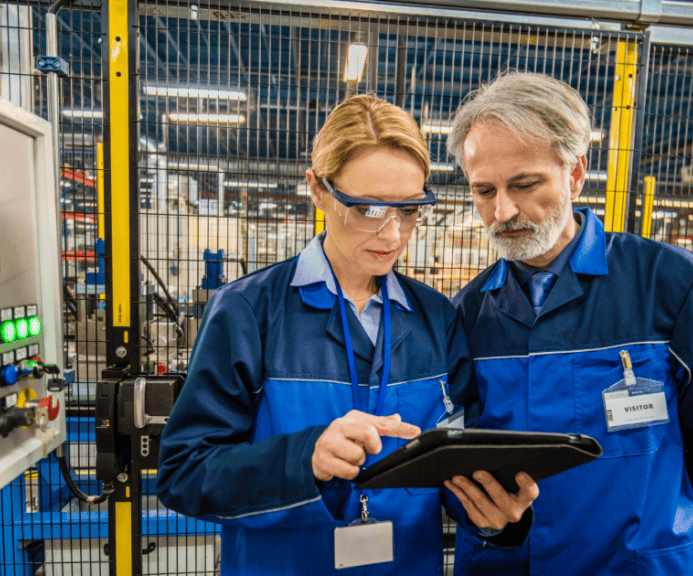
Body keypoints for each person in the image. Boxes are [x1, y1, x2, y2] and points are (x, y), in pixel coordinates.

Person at [157, 95, 536, 576]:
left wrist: (493, 516)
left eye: (410, 210)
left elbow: (452, 466)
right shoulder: (249, 312)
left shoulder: (436, 318)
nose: (393, 234)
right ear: (318, 189)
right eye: (368, 209)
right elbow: (184, 473)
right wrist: (303, 457)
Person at [445, 72, 693, 575]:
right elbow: (457, 456)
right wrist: (495, 523)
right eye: (484, 190)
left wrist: (659, 527)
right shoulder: (468, 313)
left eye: (525, 184)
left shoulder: (670, 284)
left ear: (576, 172)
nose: (502, 211)